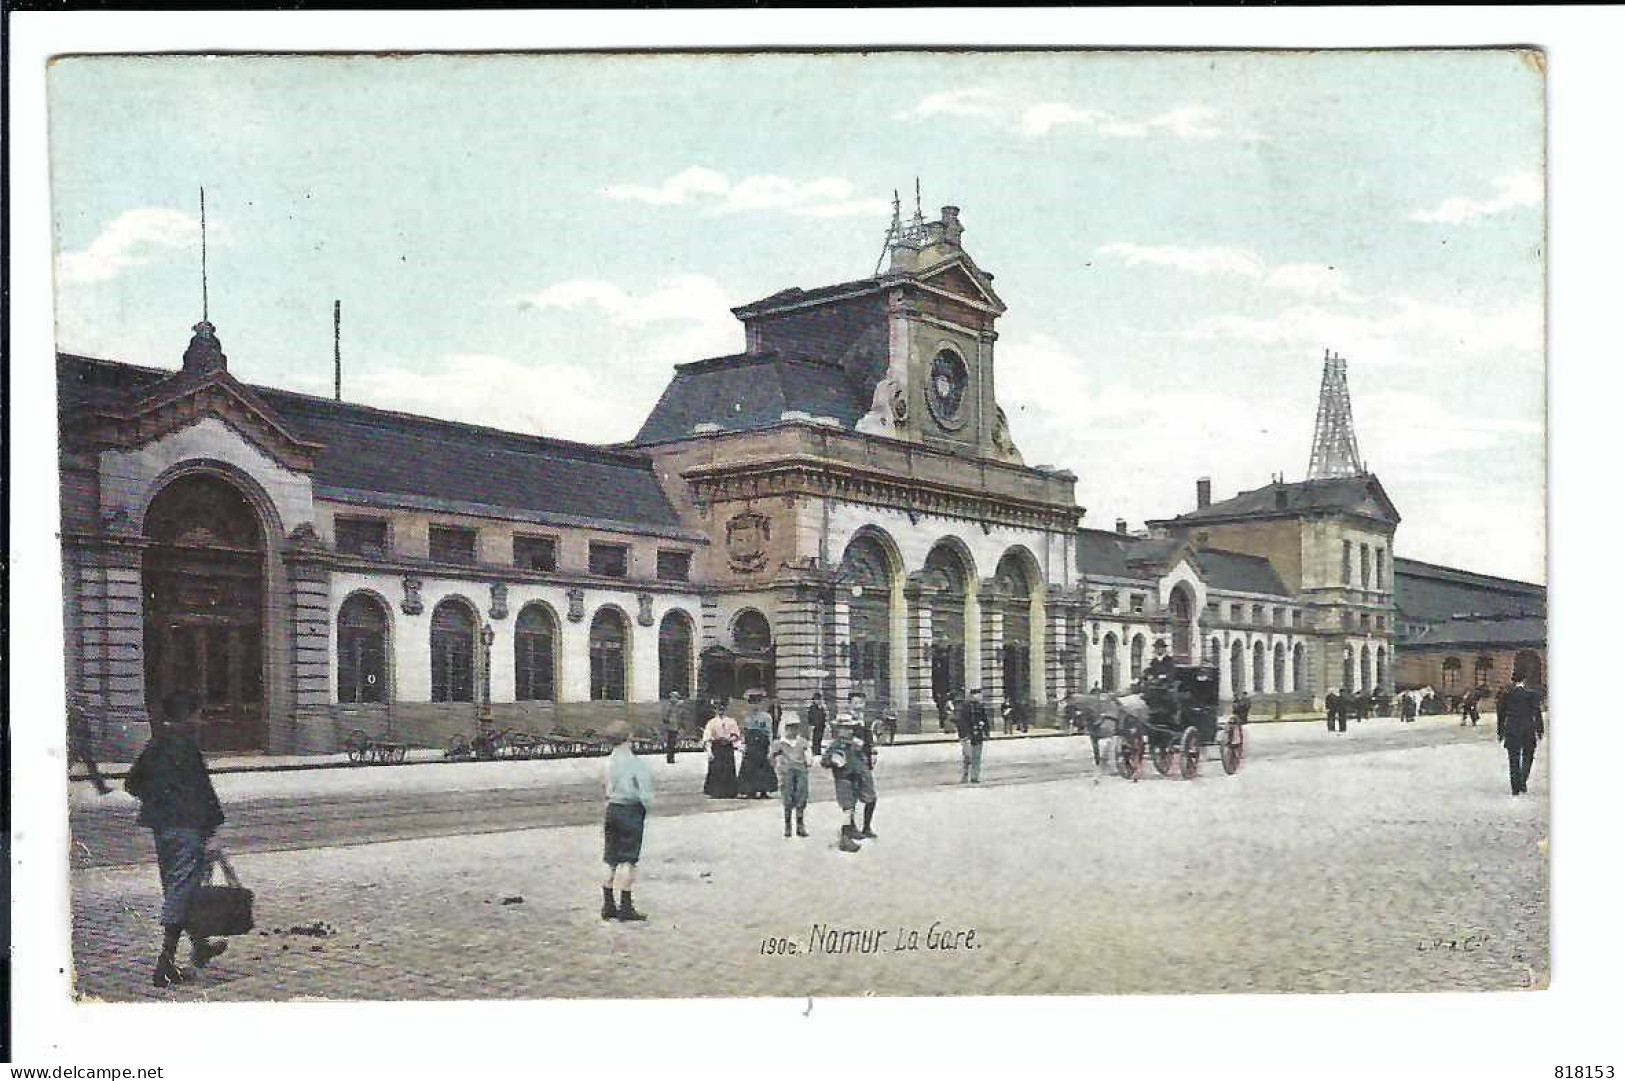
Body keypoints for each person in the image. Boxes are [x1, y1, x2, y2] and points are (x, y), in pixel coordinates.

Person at [123, 691, 229, 988]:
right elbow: (202, 792)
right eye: (197, 714)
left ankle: (200, 945)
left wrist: (160, 802)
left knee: (180, 886)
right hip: (187, 830)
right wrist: (212, 833)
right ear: (187, 716)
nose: (200, 721)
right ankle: (164, 964)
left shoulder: (155, 744)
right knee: (182, 891)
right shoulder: (186, 746)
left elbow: (132, 783)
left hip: (162, 830)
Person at [600, 721, 655, 921]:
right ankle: (625, 906)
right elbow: (645, 793)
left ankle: (607, 904)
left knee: (610, 859)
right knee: (628, 860)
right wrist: (647, 808)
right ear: (629, 738)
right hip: (630, 810)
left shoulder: (607, 762)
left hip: (612, 808)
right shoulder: (635, 763)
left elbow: (604, 786)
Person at [820, 716, 877, 851]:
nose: (848, 731)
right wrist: (834, 761)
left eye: (850, 728)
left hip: (858, 777)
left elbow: (866, 754)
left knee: (868, 799)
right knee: (848, 807)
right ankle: (845, 838)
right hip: (843, 778)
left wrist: (868, 762)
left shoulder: (856, 743)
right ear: (839, 730)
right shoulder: (835, 745)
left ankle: (862, 828)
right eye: (844, 728)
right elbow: (824, 761)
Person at [1497, 673, 1545, 796]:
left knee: (1513, 759)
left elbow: (1501, 715)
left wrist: (1500, 732)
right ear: (1524, 680)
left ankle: (1515, 787)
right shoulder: (1532, 695)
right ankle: (1523, 780)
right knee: (1528, 756)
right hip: (1527, 729)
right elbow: (1537, 713)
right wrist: (1540, 730)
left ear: (1513, 680)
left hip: (1512, 729)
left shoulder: (1506, 695)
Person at [769, 716, 812, 838]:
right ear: (785, 728)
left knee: (801, 797)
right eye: (790, 727)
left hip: (801, 771)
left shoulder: (802, 741)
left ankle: (800, 824)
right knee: (787, 797)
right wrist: (776, 767)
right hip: (786, 772)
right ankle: (788, 825)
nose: (793, 730)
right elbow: (771, 756)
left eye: (795, 727)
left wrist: (808, 761)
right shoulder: (780, 743)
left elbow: (808, 754)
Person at [67, 695, 112, 795]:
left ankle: (101, 788)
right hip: (79, 745)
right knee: (89, 766)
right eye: (86, 702)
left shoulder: (76, 712)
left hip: (80, 745)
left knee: (91, 766)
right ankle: (101, 788)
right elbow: (78, 730)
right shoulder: (76, 713)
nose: (88, 705)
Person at [737, 693, 779, 799]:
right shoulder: (746, 716)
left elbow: (769, 732)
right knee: (749, 767)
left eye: (757, 703)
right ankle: (750, 790)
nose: (754, 706)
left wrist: (770, 747)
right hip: (751, 745)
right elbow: (743, 732)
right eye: (752, 703)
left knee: (763, 767)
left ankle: (764, 790)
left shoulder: (766, 717)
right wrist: (742, 744)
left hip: (762, 745)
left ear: (760, 704)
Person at [701, 707, 741, 799]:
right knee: (716, 768)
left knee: (728, 768)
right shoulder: (711, 722)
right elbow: (707, 737)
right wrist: (709, 751)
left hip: (727, 747)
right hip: (717, 746)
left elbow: (736, 734)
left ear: (726, 710)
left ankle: (730, 791)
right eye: (719, 709)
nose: (721, 711)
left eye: (723, 709)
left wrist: (730, 740)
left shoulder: (731, 721)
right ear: (716, 710)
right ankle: (716, 791)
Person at [956, 687, 991, 783]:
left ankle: (975, 777)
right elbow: (961, 722)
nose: (979, 696)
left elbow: (985, 720)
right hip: (968, 735)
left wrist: (986, 732)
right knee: (968, 757)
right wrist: (963, 736)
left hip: (978, 735)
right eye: (977, 694)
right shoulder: (965, 707)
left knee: (977, 757)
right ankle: (965, 775)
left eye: (979, 694)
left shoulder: (980, 706)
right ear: (972, 695)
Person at [659, 690, 686, 765]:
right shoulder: (673, 706)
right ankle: (670, 758)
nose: (673, 699)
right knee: (671, 743)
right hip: (672, 727)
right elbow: (665, 717)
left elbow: (681, 717)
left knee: (672, 743)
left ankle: (670, 758)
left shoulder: (675, 706)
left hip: (673, 726)